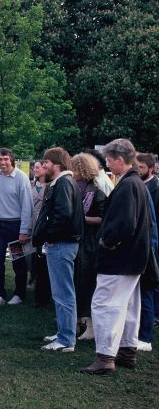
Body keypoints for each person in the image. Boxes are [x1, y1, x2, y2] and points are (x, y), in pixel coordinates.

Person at [80, 139, 153, 374]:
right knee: (129, 305)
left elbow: (123, 225)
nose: (108, 165)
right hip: (134, 258)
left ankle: (105, 357)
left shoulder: (128, 185)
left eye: (110, 160)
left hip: (119, 259)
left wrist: (106, 242)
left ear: (120, 160)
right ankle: (126, 351)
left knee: (105, 304)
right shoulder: (137, 183)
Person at [33, 147, 84, 353]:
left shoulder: (63, 182)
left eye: (46, 162)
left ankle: (65, 339)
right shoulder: (63, 182)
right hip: (62, 244)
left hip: (61, 245)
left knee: (63, 293)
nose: (43, 166)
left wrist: (51, 238)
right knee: (62, 293)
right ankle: (64, 332)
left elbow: (62, 214)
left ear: (56, 164)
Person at [0, 147, 33, 306]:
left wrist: (24, 231)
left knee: (18, 261)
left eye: (5, 159)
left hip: (16, 226)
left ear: (11, 160)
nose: (3, 162)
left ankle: (19, 294)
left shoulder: (21, 178)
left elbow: (27, 206)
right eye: (0, 159)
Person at [71, 153, 107, 341]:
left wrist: (81, 219)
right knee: (75, 282)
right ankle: (76, 320)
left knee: (86, 283)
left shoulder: (97, 191)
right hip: (76, 241)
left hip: (89, 243)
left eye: (74, 168)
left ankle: (89, 324)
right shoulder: (74, 187)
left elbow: (102, 218)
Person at [136, 152, 158, 351]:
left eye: (141, 167)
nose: (138, 170)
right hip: (143, 244)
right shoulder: (140, 186)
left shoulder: (154, 188)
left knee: (147, 292)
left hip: (150, 245)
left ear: (151, 168)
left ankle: (145, 337)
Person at [30, 160, 51, 308]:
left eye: (39, 167)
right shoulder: (30, 184)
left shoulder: (51, 186)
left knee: (42, 258)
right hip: (31, 222)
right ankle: (33, 280)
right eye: (34, 167)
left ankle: (43, 292)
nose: (36, 169)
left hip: (44, 224)